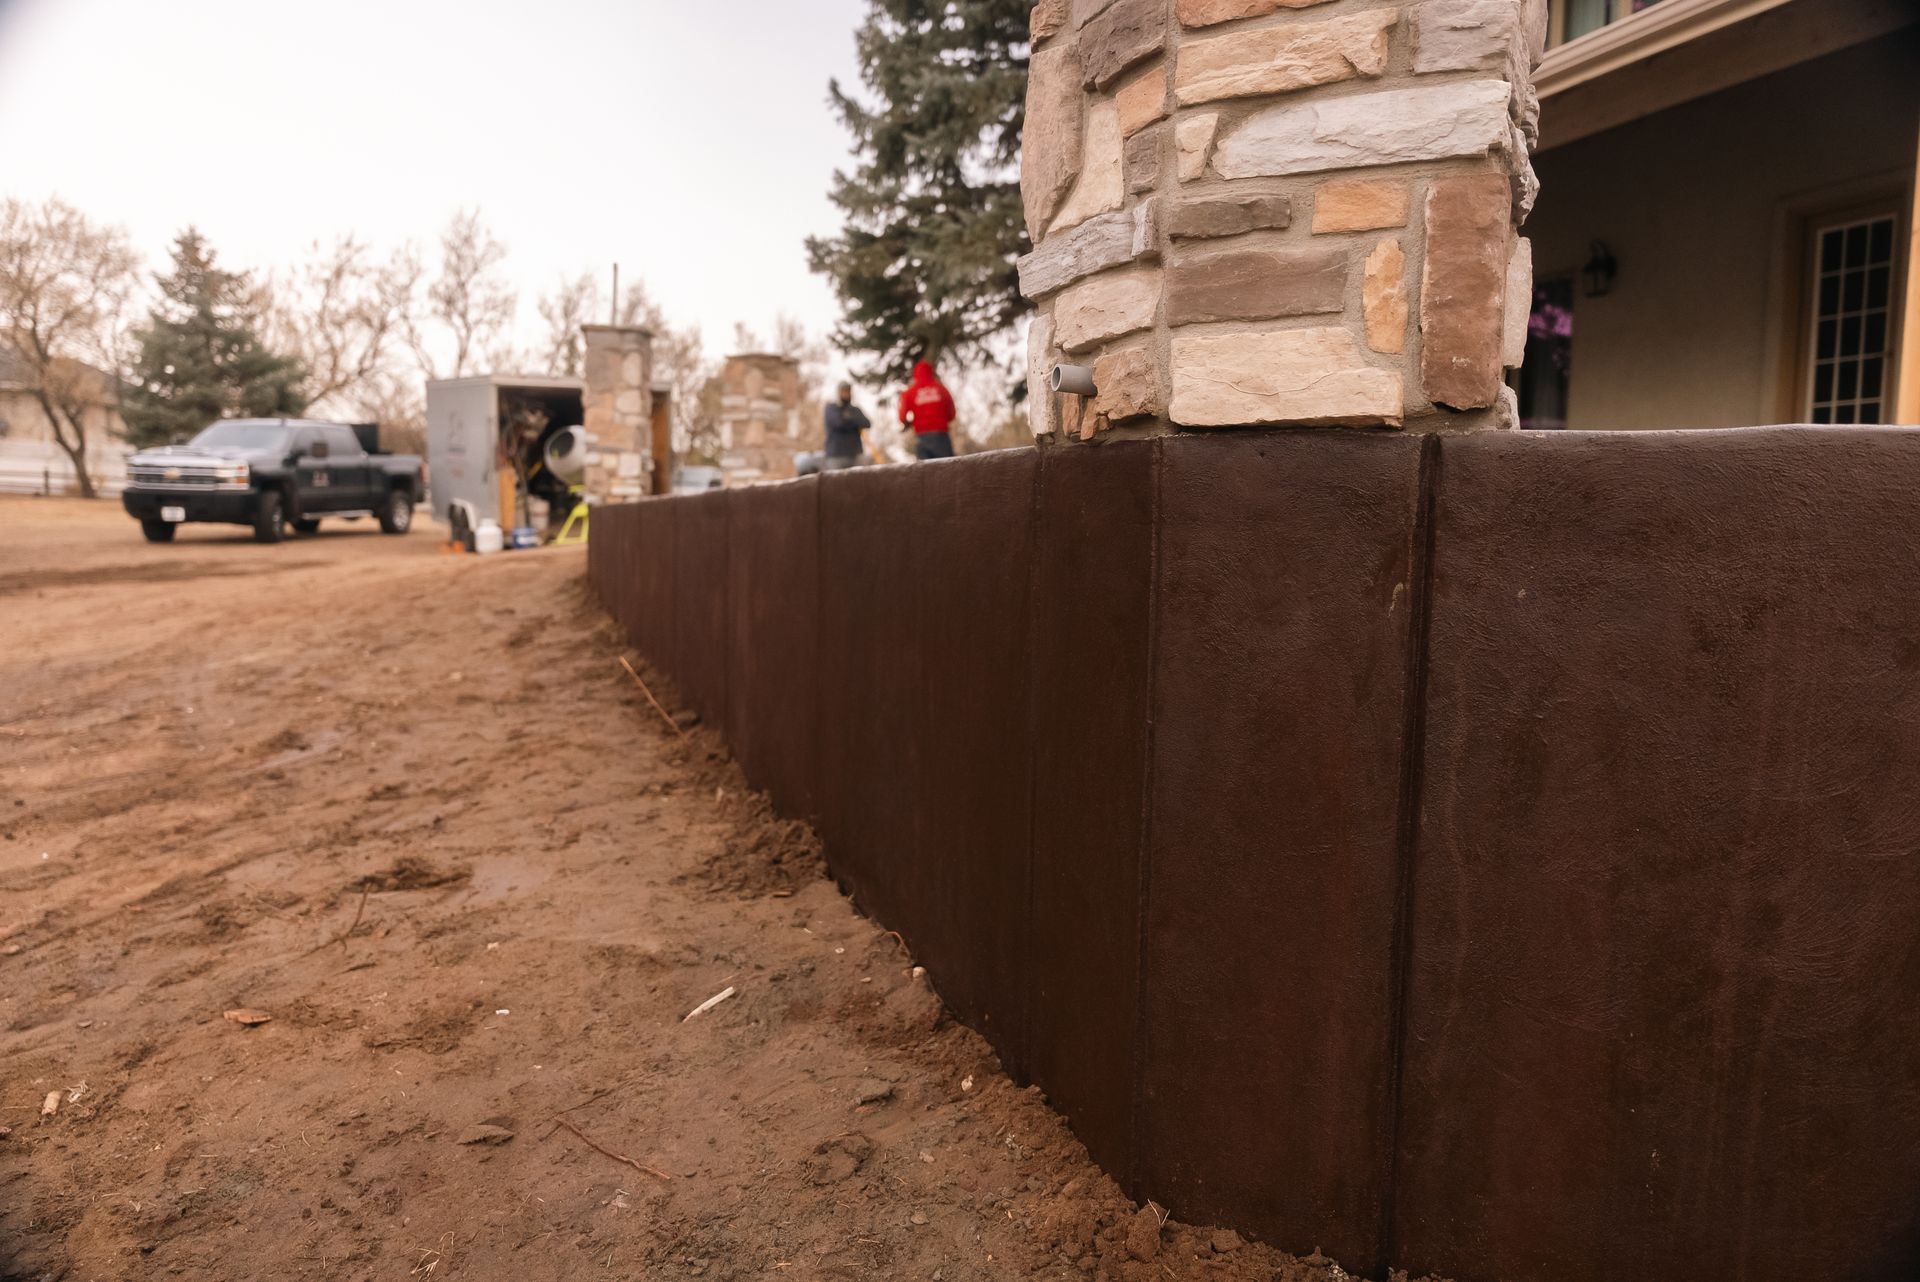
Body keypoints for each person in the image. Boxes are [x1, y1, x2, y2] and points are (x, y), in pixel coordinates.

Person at [898, 359, 957, 461]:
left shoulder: (910, 392)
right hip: (941, 436)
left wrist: (910, 423)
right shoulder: (942, 389)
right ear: (931, 372)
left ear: (915, 374)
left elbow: (902, 416)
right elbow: (952, 414)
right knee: (948, 470)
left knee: (927, 472)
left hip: (922, 437)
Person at [821, 381, 870, 471]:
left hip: (855, 454)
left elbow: (867, 423)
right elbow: (839, 423)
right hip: (836, 455)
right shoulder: (831, 408)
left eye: (848, 391)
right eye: (844, 391)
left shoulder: (855, 409)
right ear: (839, 392)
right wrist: (854, 422)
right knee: (836, 482)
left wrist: (848, 419)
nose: (846, 394)